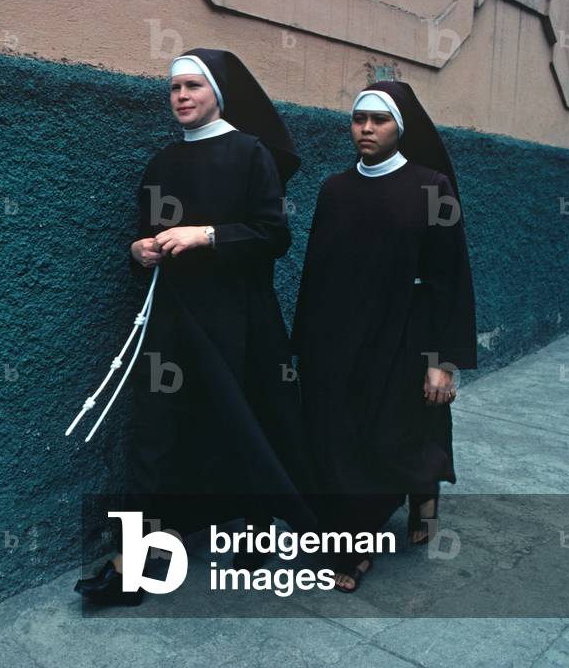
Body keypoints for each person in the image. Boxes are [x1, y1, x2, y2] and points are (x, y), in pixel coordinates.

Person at [75, 49, 316, 606]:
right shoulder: (161, 163)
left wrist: (205, 235)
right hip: (173, 318)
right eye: (174, 88)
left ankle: (253, 533)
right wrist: (140, 250)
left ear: (217, 95)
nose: (181, 96)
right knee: (157, 435)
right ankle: (133, 562)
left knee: (243, 421)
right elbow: (144, 234)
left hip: (238, 318)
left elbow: (273, 237)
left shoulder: (248, 154)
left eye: (192, 87)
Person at [291, 81, 477, 592]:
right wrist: (301, 344)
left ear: (401, 127)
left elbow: (450, 275)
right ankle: (364, 523)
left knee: (393, 431)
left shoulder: (431, 186)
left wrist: (443, 359)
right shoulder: (334, 188)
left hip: (404, 333)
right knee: (338, 435)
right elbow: (317, 270)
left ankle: (364, 540)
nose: (367, 129)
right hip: (338, 334)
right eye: (359, 120)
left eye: (380, 120)